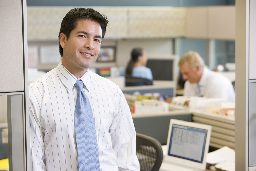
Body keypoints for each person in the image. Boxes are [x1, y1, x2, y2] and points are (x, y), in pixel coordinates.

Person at [29, 8, 140, 171]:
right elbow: (33, 163)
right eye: (82, 36)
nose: (90, 45)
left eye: (97, 39)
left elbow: (126, 157)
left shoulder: (112, 92)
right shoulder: (36, 94)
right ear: (63, 39)